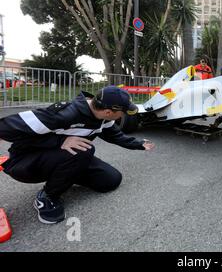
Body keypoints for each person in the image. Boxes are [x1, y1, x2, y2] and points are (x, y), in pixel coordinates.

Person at [0, 87, 155, 224]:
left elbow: (115, 136)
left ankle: (65, 176)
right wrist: (60, 140)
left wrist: (138, 144)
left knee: (111, 180)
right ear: (109, 112)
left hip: (67, 157)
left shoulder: (103, 118)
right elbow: (5, 128)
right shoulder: (65, 113)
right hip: (25, 162)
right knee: (84, 150)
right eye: (122, 112)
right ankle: (47, 196)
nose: (122, 116)